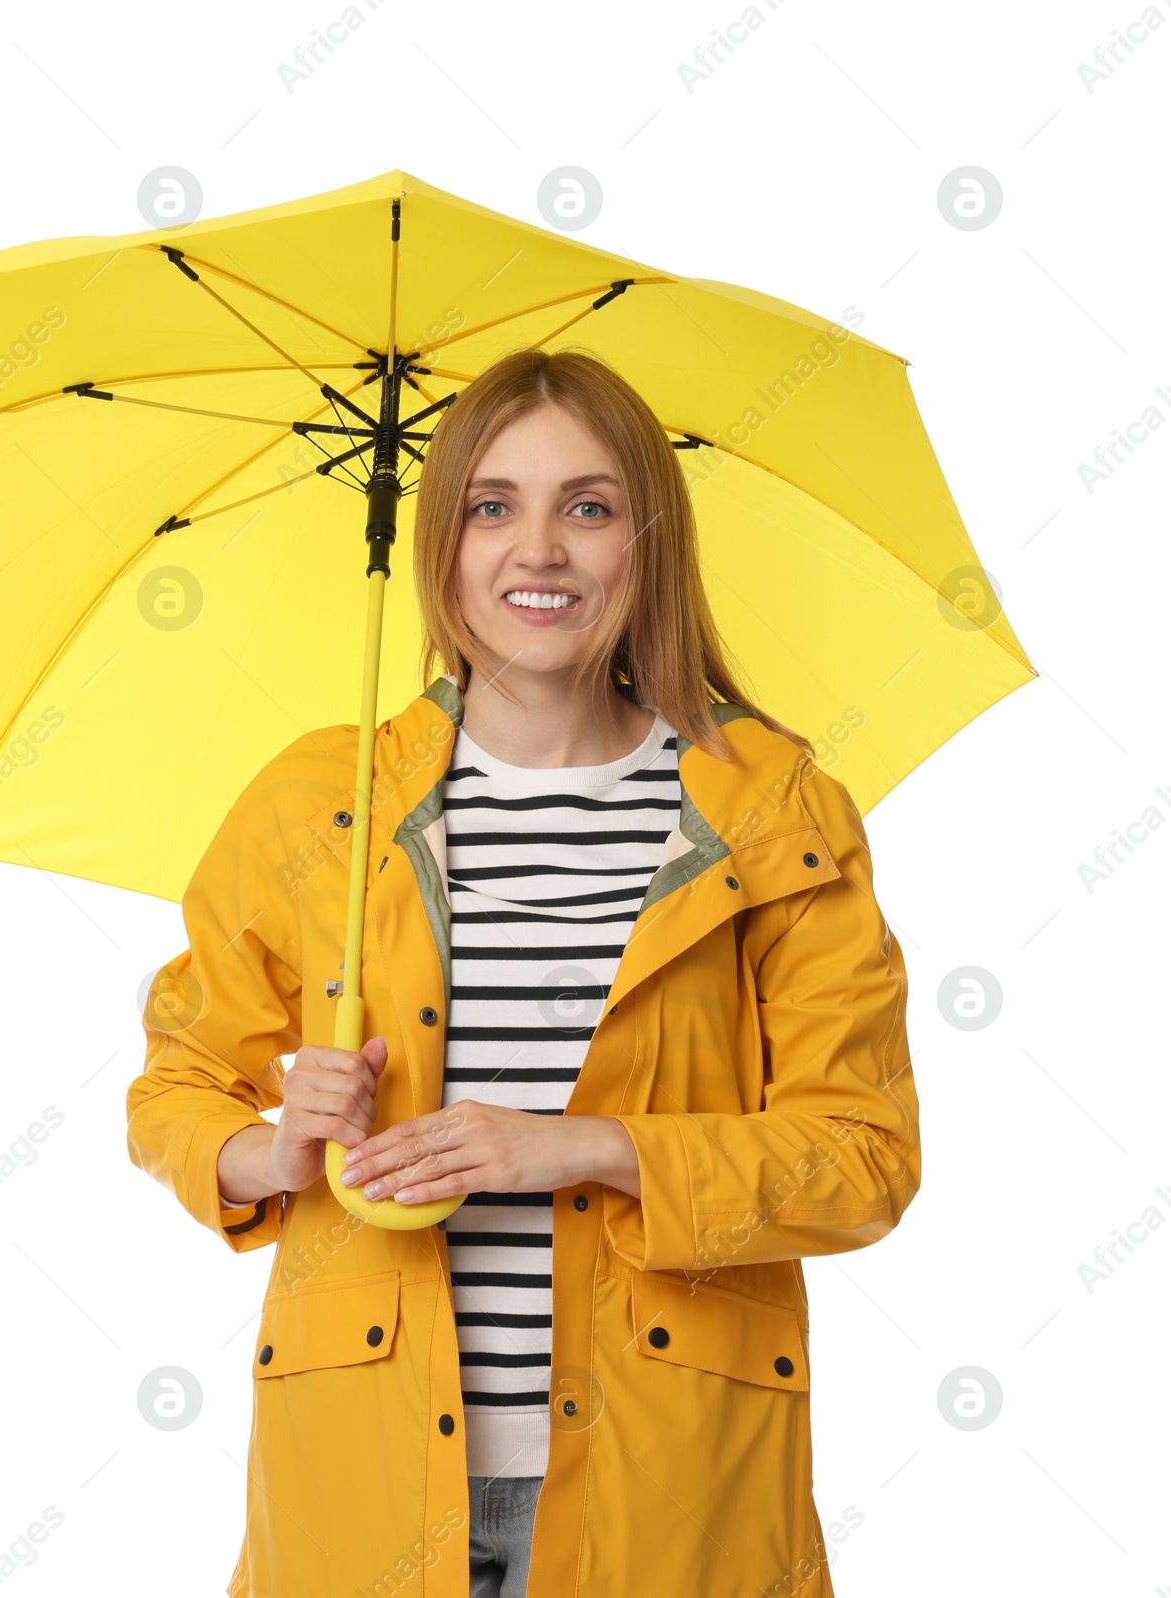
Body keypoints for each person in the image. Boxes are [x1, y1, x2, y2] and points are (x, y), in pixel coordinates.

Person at [126, 347, 921, 1598]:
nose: (536, 549)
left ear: (645, 545)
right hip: (364, 1486)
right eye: (491, 506)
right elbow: (175, 1086)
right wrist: (269, 1152)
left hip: (672, 1490)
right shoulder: (318, 807)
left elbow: (863, 1158)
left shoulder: (773, 812)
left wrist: (584, 1146)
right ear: (440, 542)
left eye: (587, 507)